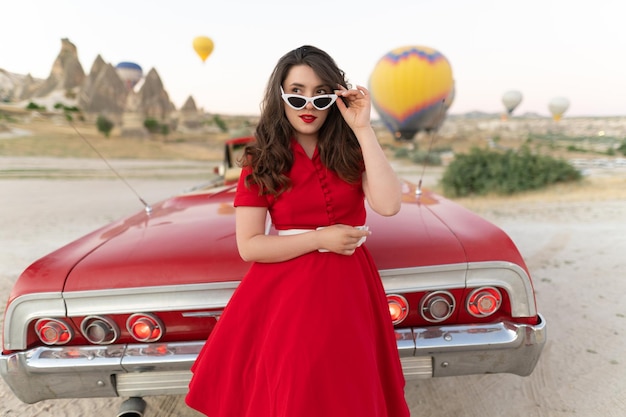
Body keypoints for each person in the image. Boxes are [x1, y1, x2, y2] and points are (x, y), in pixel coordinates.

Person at [186, 45, 410, 417]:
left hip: (350, 289)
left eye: (321, 95)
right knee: (297, 389)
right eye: (297, 92)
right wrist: (321, 239)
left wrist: (364, 128)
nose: (308, 105)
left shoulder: (353, 148)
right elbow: (250, 246)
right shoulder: (262, 159)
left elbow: (388, 205)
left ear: (335, 98)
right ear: (281, 95)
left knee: (350, 389)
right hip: (287, 296)